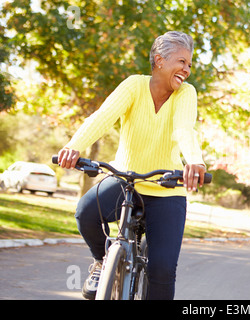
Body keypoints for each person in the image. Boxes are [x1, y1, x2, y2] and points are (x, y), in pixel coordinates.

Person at [57, 31, 206, 300]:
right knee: (85, 213)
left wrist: (194, 160)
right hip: (125, 181)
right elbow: (103, 117)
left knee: (162, 270)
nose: (187, 69)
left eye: (189, 65)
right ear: (159, 60)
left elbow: (185, 129)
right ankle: (102, 262)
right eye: (182, 62)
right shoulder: (134, 86)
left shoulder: (186, 93)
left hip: (166, 190)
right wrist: (74, 145)